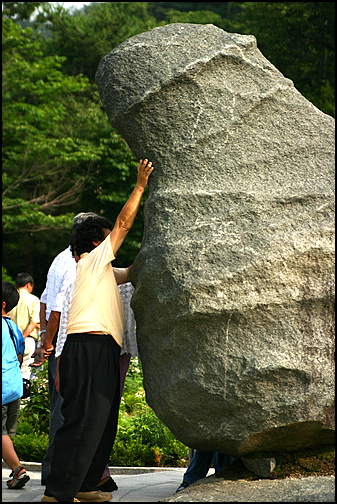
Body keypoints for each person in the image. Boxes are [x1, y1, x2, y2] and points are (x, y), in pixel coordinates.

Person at [42, 158, 153, 503]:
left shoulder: (101, 270)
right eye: (107, 240)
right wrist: (139, 186)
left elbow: (132, 272)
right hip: (88, 348)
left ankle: (88, 484)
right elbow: (122, 223)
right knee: (81, 424)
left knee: (101, 423)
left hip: (101, 350)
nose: (113, 244)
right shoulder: (90, 261)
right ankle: (57, 494)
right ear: (95, 244)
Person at [31, 212, 98, 486]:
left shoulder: (63, 259)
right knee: (65, 410)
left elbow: (45, 301)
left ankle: (56, 471)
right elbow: (54, 305)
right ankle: (57, 473)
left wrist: (45, 338)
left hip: (62, 343)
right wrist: (48, 342)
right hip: (67, 345)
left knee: (64, 409)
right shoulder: (71, 263)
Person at [56, 279, 137, 492]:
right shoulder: (78, 276)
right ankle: (77, 483)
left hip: (114, 350)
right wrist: (57, 361)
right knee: (83, 418)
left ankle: (92, 479)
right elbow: (60, 315)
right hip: (89, 348)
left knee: (104, 419)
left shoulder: (121, 281)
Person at [2, 281, 30, 489]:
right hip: (14, 386)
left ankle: (18, 469)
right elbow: (19, 357)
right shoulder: (13, 327)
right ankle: (15, 473)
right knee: (6, 436)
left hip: (2, 388)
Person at [7, 273, 40, 380]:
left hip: (9, 339)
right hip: (27, 339)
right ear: (28, 285)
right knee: (25, 370)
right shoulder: (34, 300)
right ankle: (23, 396)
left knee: (10, 369)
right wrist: (22, 337)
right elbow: (34, 322)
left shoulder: (10, 298)